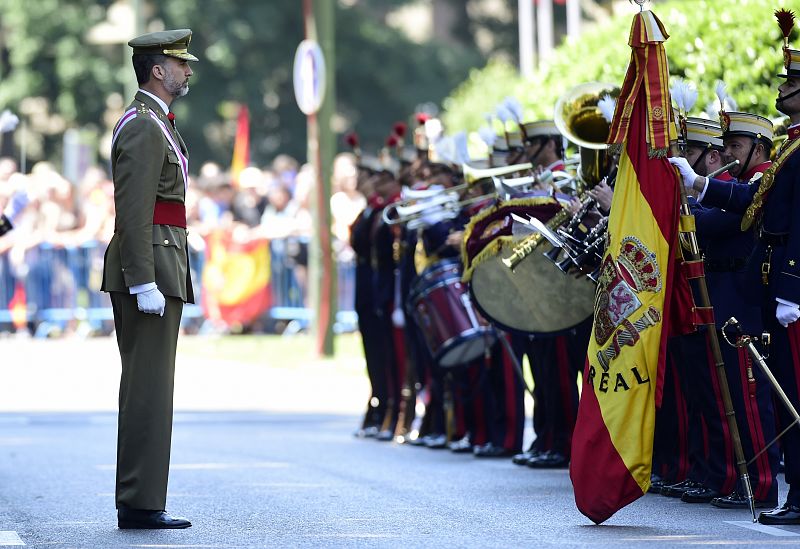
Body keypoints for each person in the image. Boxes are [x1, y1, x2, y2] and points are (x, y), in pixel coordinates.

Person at [669, 16, 800, 524]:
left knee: (778, 395)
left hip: (774, 292)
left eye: (791, 82)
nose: (783, 88)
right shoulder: (792, 146)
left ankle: (779, 486)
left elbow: (777, 220)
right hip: (758, 289)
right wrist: (699, 186)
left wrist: (791, 287)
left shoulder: (791, 152)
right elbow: (752, 201)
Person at [101, 29, 197, 530]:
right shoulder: (143, 125)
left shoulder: (158, 122)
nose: (187, 71)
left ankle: (142, 498)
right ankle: (139, 502)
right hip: (151, 269)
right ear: (157, 69)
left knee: (154, 391)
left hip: (164, 264)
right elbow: (133, 211)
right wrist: (142, 280)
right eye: (180, 64)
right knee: (147, 391)